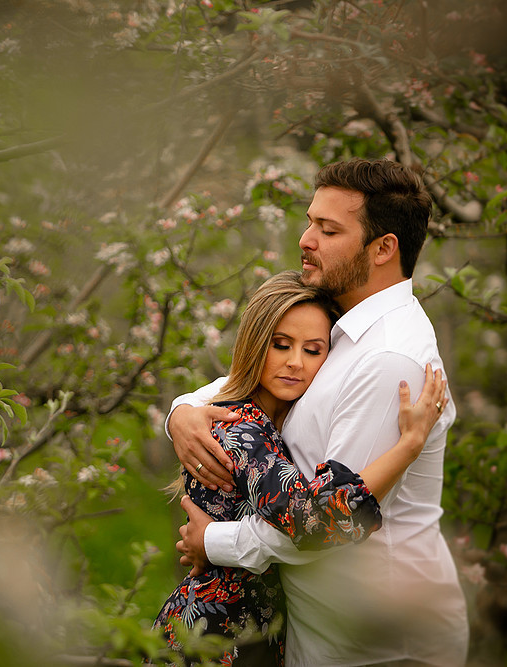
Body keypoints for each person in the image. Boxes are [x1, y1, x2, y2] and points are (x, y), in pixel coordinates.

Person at [169, 158, 469, 666]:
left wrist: (213, 540)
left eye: (328, 229)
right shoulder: (343, 328)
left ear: (383, 248)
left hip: (381, 648)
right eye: (310, 221)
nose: (306, 238)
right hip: (325, 640)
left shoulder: (388, 361)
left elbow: (325, 523)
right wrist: (185, 409)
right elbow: (262, 382)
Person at [152, 271, 448, 667]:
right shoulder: (241, 429)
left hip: (253, 630)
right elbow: (311, 521)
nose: (295, 363)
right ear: (257, 344)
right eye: (281, 345)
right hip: (215, 634)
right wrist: (409, 446)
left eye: (313, 350)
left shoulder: (273, 420)